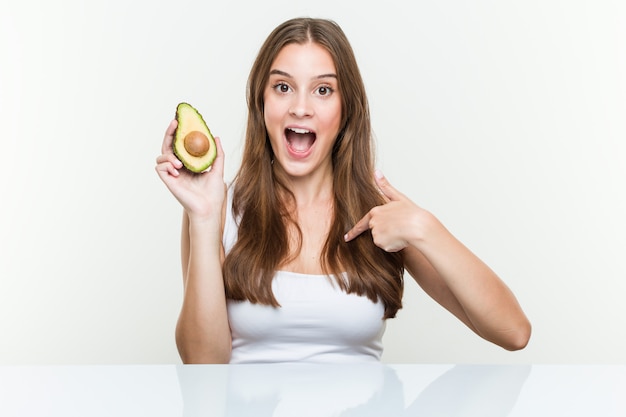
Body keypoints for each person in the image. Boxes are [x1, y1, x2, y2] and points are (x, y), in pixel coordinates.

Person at [155, 17, 531, 364]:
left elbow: (513, 332)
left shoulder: (381, 216)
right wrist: (203, 218)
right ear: (262, 101)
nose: (300, 108)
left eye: (323, 90)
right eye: (283, 87)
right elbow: (202, 366)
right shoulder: (216, 209)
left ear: (346, 108)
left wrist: (424, 228)